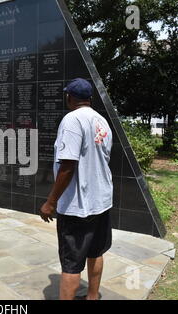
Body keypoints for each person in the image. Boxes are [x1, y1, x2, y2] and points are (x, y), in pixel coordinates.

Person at [40, 78, 113, 300]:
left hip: (77, 207)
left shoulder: (72, 120)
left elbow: (68, 165)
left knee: (71, 265)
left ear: (69, 97)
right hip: (101, 201)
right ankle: (93, 296)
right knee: (96, 251)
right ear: (89, 98)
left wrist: (51, 202)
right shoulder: (102, 121)